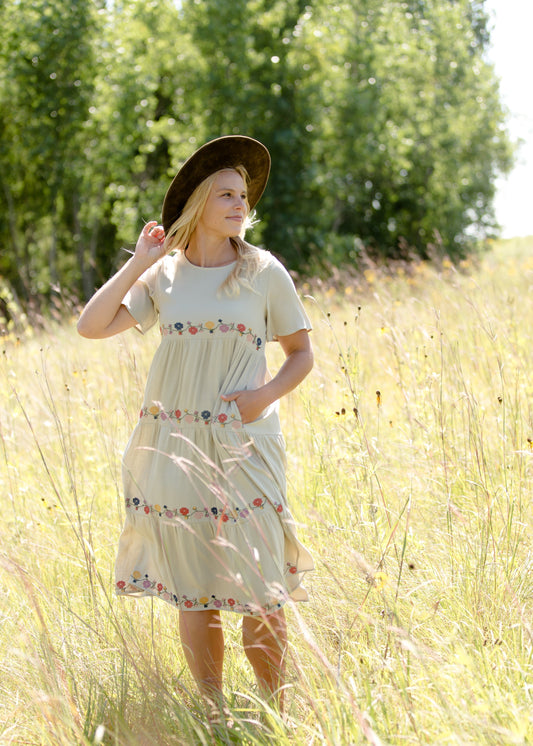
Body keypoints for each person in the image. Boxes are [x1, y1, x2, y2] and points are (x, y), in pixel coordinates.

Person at [77, 135, 314, 716]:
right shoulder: (165, 279)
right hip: (173, 445)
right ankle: (212, 715)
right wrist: (141, 261)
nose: (240, 204)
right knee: (195, 587)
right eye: (226, 194)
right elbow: (91, 325)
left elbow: (302, 353)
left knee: (261, 589)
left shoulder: (264, 271)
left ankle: (279, 710)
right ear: (199, 202)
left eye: (243, 195)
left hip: (246, 443)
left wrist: (262, 398)